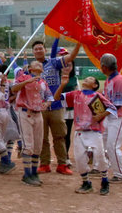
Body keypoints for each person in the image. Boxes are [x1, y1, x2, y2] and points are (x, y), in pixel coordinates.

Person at [55, 64, 116, 195]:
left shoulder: (97, 96)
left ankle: (105, 181)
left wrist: (101, 115)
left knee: (99, 157)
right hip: (79, 132)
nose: (87, 79)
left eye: (90, 79)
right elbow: (57, 98)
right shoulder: (76, 94)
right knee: (79, 159)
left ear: (94, 85)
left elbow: (112, 108)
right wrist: (62, 84)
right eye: (87, 78)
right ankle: (86, 182)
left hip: (95, 132)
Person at [30, 40, 80, 175]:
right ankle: (44, 163)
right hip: (40, 108)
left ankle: (62, 164)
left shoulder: (54, 62)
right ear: (33, 52)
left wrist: (79, 44)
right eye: (36, 49)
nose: (39, 51)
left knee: (60, 136)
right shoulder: (31, 68)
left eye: (41, 48)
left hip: (56, 106)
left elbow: (71, 57)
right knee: (42, 137)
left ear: (45, 50)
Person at [11, 60, 55, 186]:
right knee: (28, 145)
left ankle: (34, 172)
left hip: (38, 113)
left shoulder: (43, 82)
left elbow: (49, 96)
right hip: (25, 112)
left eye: (40, 65)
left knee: (37, 146)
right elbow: (13, 89)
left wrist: (47, 103)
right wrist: (26, 81)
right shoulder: (23, 77)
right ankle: (27, 174)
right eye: (35, 64)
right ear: (29, 68)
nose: (38, 65)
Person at [100, 54, 122, 183]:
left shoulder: (118, 80)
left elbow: (117, 105)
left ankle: (121, 174)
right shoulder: (109, 79)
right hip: (111, 117)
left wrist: (101, 115)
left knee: (112, 146)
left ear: (104, 67)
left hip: (119, 117)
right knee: (104, 143)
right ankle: (105, 167)